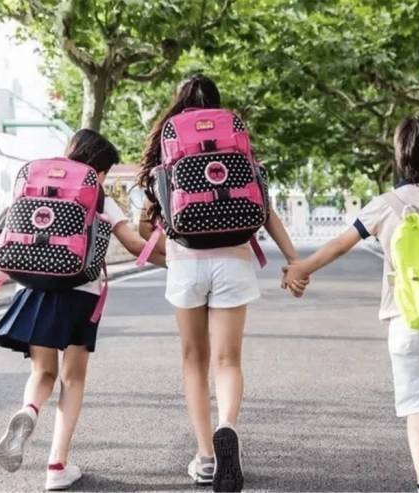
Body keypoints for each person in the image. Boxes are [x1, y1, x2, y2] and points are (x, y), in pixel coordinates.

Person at [283, 115, 419, 493]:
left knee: (416, 406)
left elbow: (339, 245)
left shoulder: (383, 206)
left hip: (405, 318)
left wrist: (301, 268)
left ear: (399, 160)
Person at [0, 129, 166, 491]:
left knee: (42, 373)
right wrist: (175, 260)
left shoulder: (36, 187)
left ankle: (29, 410)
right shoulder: (97, 195)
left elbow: (12, 241)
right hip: (80, 294)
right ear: (101, 170)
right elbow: (135, 245)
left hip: (34, 290)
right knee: (72, 379)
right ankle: (57, 466)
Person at [137, 74, 306, 492]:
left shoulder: (169, 143)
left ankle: (205, 457)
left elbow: (145, 226)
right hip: (233, 260)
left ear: (178, 103)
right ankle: (226, 426)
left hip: (186, 262)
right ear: (217, 103)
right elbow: (264, 210)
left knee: (194, 360)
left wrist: (172, 251)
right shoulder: (234, 139)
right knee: (228, 360)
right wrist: (293, 260)